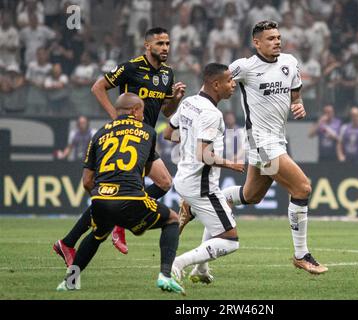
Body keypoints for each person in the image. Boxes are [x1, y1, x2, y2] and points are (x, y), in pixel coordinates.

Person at [181, 21, 327, 274]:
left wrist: (299, 103)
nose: (277, 41)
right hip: (261, 142)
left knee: (251, 196)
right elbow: (213, 84)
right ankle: (301, 254)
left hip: (276, 139)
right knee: (302, 187)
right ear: (256, 43)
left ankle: (199, 205)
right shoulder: (244, 67)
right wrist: (195, 109)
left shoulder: (290, 62)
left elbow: (296, 91)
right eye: (270, 38)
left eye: (279, 37)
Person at [53, 27, 186, 263]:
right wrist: (116, 118)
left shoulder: (167, 74)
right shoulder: (131, 67)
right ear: (147, 46)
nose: (165, 48)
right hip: (126, 138)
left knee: (161, 184)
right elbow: (97, 87)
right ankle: (109, 228)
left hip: (143, 139)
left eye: (167, 43)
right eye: (160, 44)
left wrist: (175, 100)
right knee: (156, 184)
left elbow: (166, 111)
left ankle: (69, 241)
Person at [56, 93, 184, 295]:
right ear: (134, 110)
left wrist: (102, 197)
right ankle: (165, 276)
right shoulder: (147, 131)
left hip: (100, 197)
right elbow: (146, 168)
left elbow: (87, 181)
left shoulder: (98, 133)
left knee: (98, 233)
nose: (143, 116)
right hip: (131, 197)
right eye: (142, 111)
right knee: (172, 220)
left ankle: (69, 282)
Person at [164, 63, 243, 284]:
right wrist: (232, 164)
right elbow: (204, 155)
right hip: (201, 185)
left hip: (184, 178)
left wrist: (189, 140)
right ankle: (178, 263)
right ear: (216, 84)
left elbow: (169, 134)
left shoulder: (189, 102)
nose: (233, 84)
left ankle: (201, 268)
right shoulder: (211, 113)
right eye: (229, 81)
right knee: (230, 240)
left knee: (217, 221)